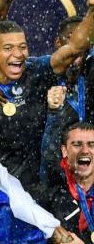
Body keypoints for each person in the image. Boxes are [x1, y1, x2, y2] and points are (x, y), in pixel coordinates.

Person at [0, 0, 94, 194]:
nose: (18, 54)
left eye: (23, 47)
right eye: (8, 48)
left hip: (33, 192)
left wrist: (92, 12)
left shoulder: (37, 72)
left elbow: (73, 49)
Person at [40, 13, 94, 183]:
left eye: (82, 41)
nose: (77, 46)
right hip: (54, 178)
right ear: (58, 43)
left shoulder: (91, 74)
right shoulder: (41, 74)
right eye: (71, 39)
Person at [39, 122, 94, 244]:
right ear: (64, 150)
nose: (85, 150)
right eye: (77, 145)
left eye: (91, 145)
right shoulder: (52, 191)